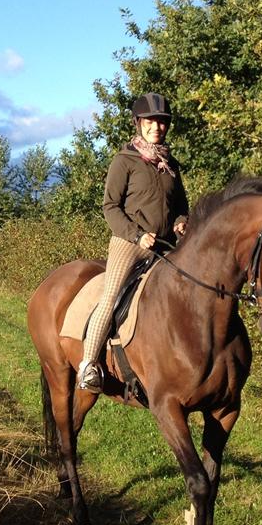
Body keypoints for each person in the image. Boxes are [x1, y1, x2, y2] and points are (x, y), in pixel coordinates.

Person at [77, 92, 189, 393]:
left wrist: (181, 221)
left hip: (166, 246)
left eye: (162, 122)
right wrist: (137, 234)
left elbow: (181, 205)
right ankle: (88, 365)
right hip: (130, 244)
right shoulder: (124, 161)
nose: (157, 127)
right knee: (111, 296)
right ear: (138, 123)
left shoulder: (170, 164)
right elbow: (110, 206)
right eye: (151, 121)